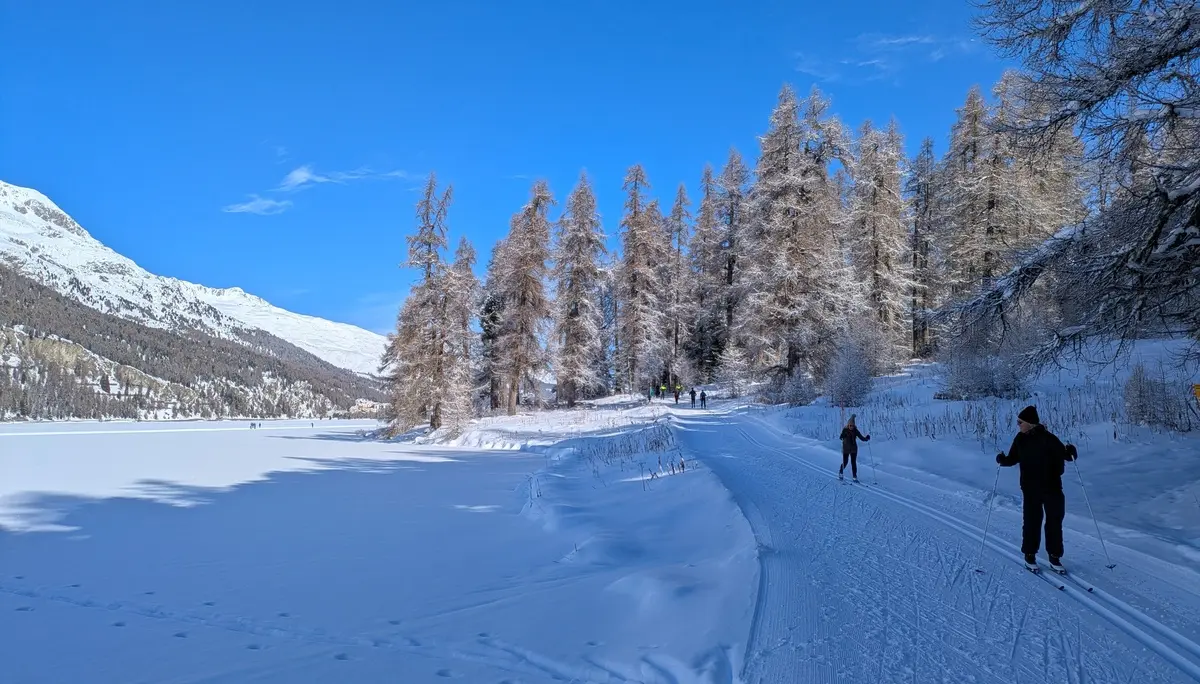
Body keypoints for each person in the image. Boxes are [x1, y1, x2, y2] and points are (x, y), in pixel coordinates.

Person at [997, 405, 1077, 574]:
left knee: (1054, 521)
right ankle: (1030, 554)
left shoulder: (1049, 438)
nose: (1018, 425)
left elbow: (1067, 456)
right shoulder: (1020, 439)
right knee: (1032, 521)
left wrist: (1071, 451)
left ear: (1030, 423)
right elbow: (1012, 459)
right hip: (1031, 488)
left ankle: (1054, 556)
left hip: (1053, 487)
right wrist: (1002, 460)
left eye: (1020, 422)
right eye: (1018, 422)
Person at [838, 415, 870, 482]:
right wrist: (842, 436)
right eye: (850, 425)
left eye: (852, 425)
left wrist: (866, 438)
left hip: (853, 449)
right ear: (848, 425)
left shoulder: (855, 431)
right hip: (846, 449)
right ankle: (841, 472)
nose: (851, 427)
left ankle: (854, 476)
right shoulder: (845, 430)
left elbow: (861, 437)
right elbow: (841, 437)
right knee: (845, 462)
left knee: (853, 462)